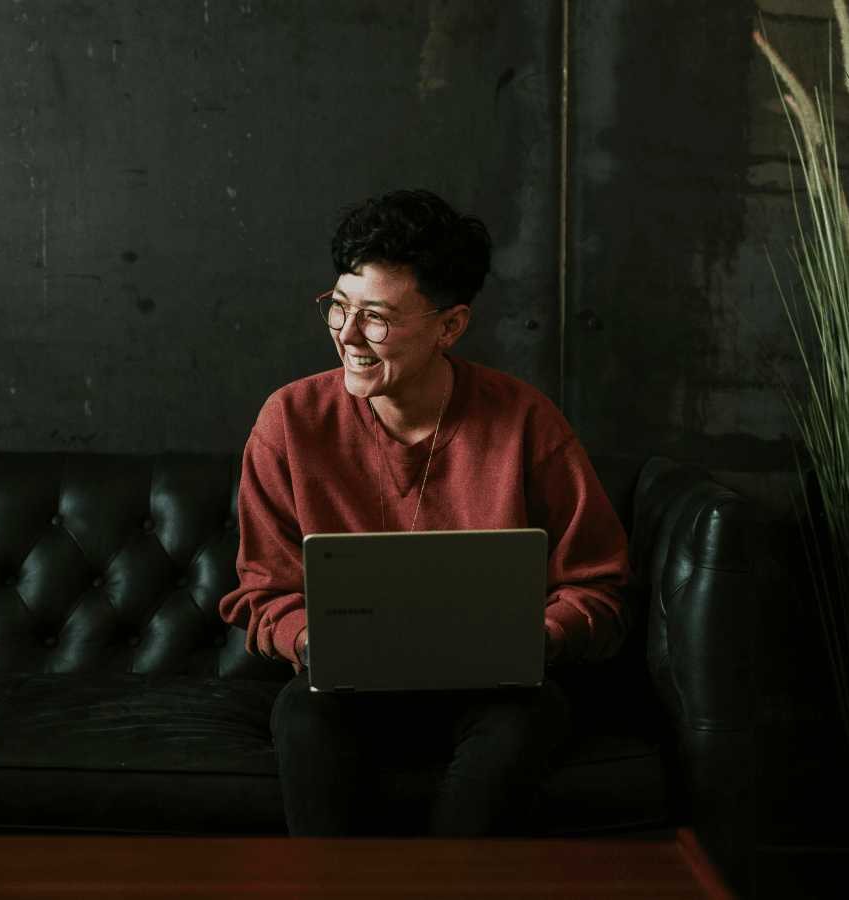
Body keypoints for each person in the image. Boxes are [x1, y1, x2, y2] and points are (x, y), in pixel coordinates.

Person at [219, 188, 633, 837]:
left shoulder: (526, 422)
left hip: (497, 691)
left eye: (376, 318)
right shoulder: (290, 422)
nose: (348, 336)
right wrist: (307, 639)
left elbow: (597, 587)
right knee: (302, 718)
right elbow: (263, 591)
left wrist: (540, 636)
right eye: (338, 307)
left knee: (523, 725)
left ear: (450, 326)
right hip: (346, 692)